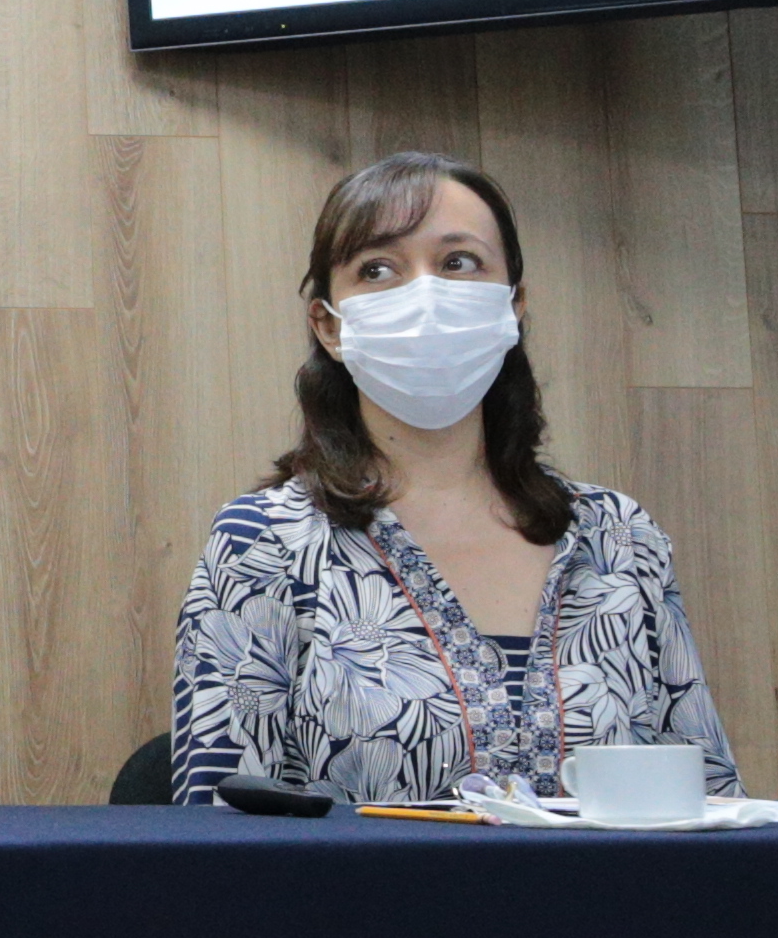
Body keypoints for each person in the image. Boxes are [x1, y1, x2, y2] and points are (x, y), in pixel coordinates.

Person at [166, 151, 739, 808]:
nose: (425, 295)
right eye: (377, 269)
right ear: (328, 325)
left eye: (458, 262)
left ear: (513, 306)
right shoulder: (265, 542)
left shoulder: (620, 539)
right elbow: (221, 830)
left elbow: (711, 803)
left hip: (609, 911)